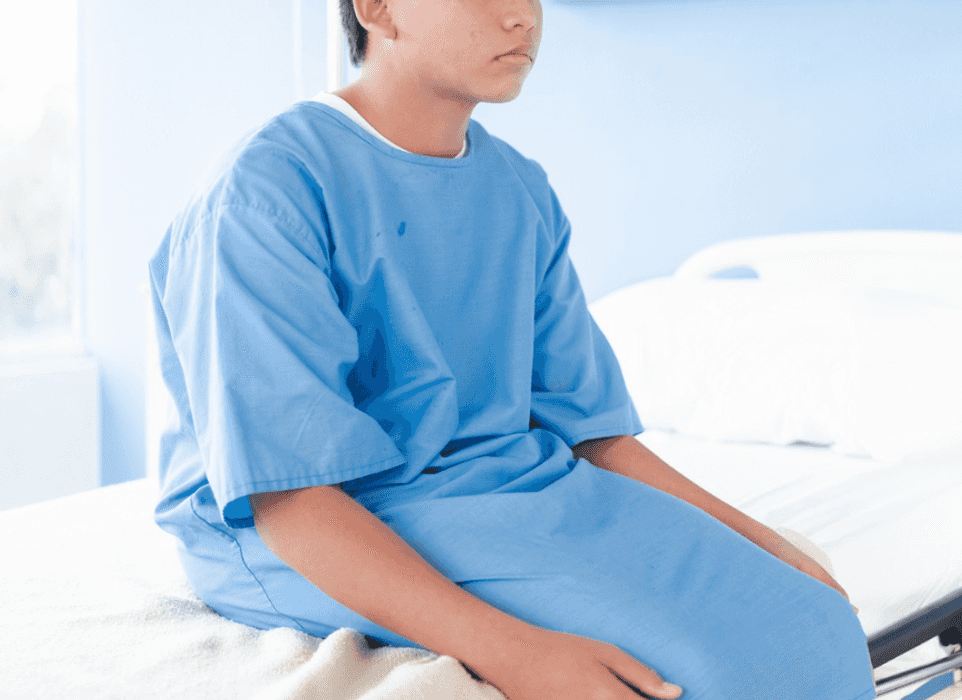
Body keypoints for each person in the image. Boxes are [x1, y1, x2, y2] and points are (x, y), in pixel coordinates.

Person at [146, 0, 876, 698]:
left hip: (501, 489)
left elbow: (595, 438)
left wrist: (763, 544)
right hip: (310, 517)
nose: (521, 16)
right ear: (377, 8)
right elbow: (289, 496)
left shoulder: (519, 190)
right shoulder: (268, 193)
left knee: (810, 622)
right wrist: (511, 651)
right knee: (688, 671)